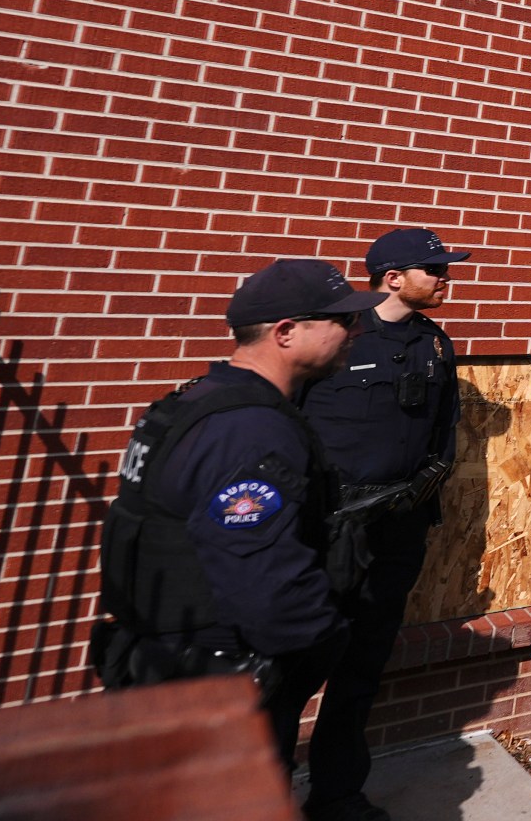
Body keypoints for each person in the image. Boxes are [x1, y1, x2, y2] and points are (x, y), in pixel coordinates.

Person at [93, 259, 381, 767]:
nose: (356, 329)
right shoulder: (248, 429)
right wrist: (324, 637)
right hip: (214, 676)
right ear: (287, 331)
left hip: (168, 662)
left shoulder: (198, 401)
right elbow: (262, 580)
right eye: (342, 320)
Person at [297, 228, 470, 821]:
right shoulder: (334, 334)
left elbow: (442, 433)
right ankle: (257, 791)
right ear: (392, 277)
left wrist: (425, 487)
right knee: (290, 666)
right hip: (328, 530)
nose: (446, 277)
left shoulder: (435, 343)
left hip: (396, 529)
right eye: (435, 268)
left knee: (362, 667)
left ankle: (337, 793)